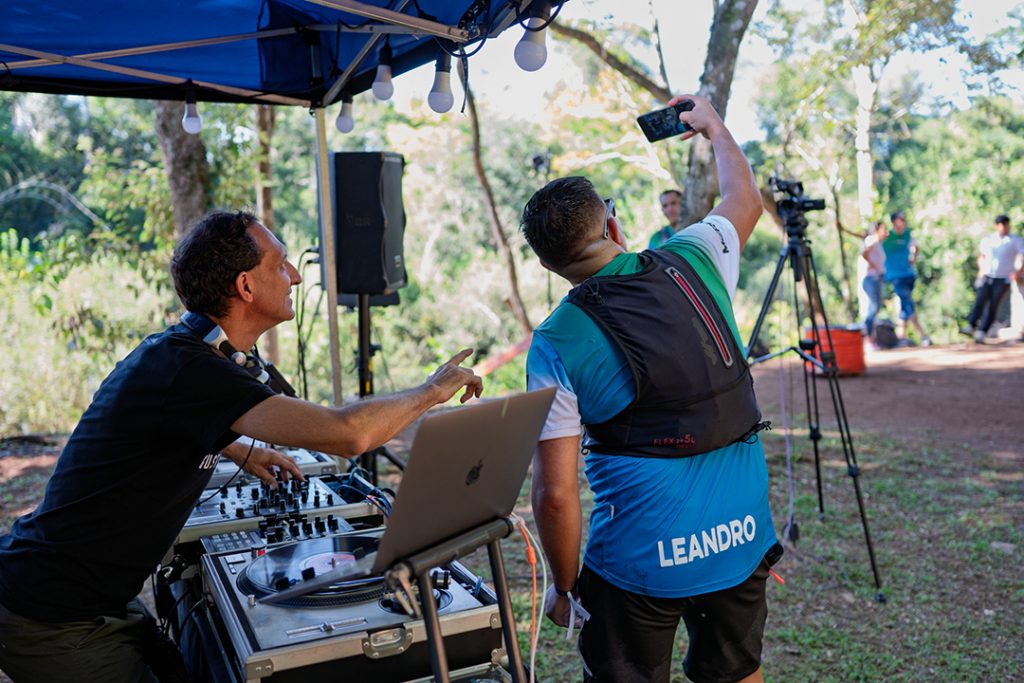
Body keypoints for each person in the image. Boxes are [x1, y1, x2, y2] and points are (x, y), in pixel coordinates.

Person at [0, 211, 483, 682]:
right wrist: (430, 392)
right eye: (280, 264)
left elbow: (163, 422)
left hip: (90, 599)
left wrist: (240, 450)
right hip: (52, 616)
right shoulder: (193, 370)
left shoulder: (189, 357)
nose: (294, 276)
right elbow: (349, 433)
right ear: (246, 287)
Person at [521, 95, 780, 683]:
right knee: (738, 673)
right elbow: (746, 199)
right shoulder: (696, 255)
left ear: (548, 266)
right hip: (742, 537)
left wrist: (564, 590)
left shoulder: (555, 341)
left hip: (639, 565)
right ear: (613, 225)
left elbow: (556, 496)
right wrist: (713, 127)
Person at [961, 214, 1024, 343]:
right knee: (980, 300)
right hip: (988, 275)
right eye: (1002, 225)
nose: (1004, 227)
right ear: (996, 226)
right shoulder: (988, 240)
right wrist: (981, 271)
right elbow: (981, 256)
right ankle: (971, 325)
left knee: (993, 305)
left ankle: (982, 331)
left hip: (1003, 278)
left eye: (1006, 224)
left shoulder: (1015, 240)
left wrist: (1018, 271)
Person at [882, 211, 931, 346]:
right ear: (894, 221)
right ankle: (923, 335)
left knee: (905, 306)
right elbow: (867, 238)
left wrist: (913, 258)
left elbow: (916, 247)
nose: (903, 221)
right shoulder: (887, 236)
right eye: (900, 219)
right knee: (908, 303)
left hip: (909, 275)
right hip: (895, 276)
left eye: (904, 219)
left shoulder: (908, 234)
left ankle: (900, 337)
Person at [860, 220, 888, 343]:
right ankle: (867, 337)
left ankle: (870, 337)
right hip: (871, 279)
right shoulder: (871, 240)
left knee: (876, 307)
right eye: (882, 228)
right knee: (874, 307)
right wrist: (872, 264)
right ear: (877, 230)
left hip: (878, 278)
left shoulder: (880, 243)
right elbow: (864, 253)